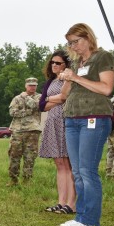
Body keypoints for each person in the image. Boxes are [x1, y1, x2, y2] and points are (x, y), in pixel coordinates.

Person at [58, 23, 114, 226]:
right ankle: (81, 216)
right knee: (78, 171)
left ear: (88, 38)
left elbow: (106, 88)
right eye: (70, 43)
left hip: (94, 118)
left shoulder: (103, 57)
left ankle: (90, 221)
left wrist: (75, 77)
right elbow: (65, 95)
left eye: (77, 41)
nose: (74, 46)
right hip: (73, 118)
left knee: (87, 170)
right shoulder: (77, 63)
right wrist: (66, 78)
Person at [39, 51, 76, 214]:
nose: (54, 65)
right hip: (52, 123)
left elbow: (64, 97)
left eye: (58, 63)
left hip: (66, 122)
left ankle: (71, 203)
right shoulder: (50, 82)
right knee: (59, 164)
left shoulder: (68, 79)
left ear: (66, 65)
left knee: (69, 164)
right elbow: (41, 106)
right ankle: (61, 202)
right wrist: (51, 100)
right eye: (52, 62)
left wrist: (48, 99)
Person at [7, 77, 41, 186]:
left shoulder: (39, 97)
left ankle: (27, 180)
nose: (32, 87)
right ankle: (13, 179)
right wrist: (27, 112)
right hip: (18, 130)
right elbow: (12, 112)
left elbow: (35, 106)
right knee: (14, 155)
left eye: (34, 85)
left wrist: (26, 97)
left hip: (32, 130)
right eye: (30, 85)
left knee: (30, 156)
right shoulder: (17, 98)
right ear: (25, 86)